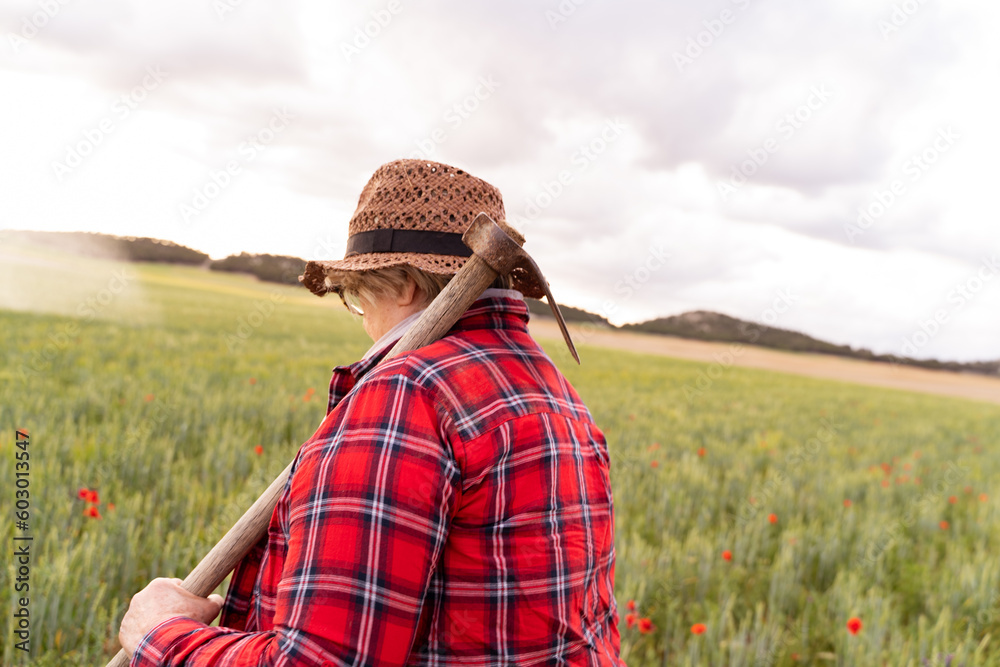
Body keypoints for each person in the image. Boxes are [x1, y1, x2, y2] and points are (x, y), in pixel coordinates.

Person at [119, 159, 623, 665]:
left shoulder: (406, 397)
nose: (362, 319)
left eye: (359, 296)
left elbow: (324, 661)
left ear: (403, 285)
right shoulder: (556, 393)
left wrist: (161, 635)